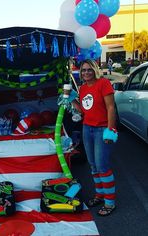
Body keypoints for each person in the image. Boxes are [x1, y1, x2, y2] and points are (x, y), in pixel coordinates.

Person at [69, 59, 117, 216]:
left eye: (89, 69)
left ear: (95, 69)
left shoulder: (103, 83)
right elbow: (84, 110)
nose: (86, 72)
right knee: (93, 166)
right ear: (80, 72)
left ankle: (110, 202)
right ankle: (100, 195)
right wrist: (70, 98)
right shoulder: (82, 88)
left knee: (102, 166)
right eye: (83, 70)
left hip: (102, 129)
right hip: (87, 128)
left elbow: (111, 107)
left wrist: (110, 130)